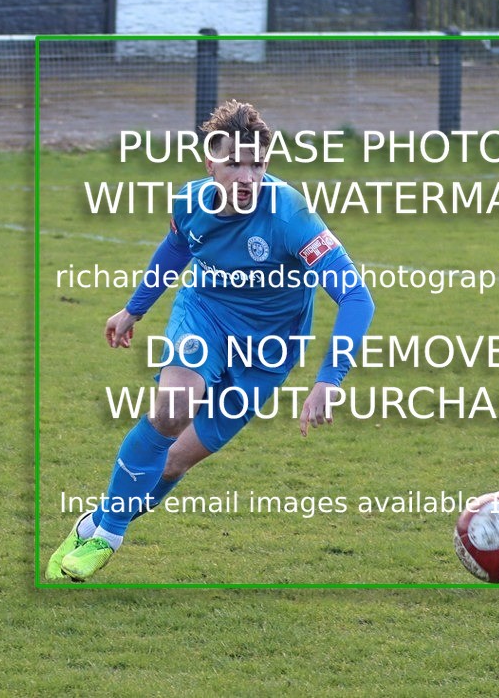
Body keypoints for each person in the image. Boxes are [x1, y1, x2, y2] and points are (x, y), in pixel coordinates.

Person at [46, 100, 375, 581]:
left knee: (175, 460)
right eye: (234, 164)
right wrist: (134, 307)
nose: (247, 177)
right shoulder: (189, 203)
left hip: (268, 350)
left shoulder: (291, 217)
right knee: (173, 407)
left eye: (257, 165)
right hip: (205, 313)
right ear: (210, 163)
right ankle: (109, 535)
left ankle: (94, 522)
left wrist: (330, 379)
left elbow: (356, 297)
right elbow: (178, 247)